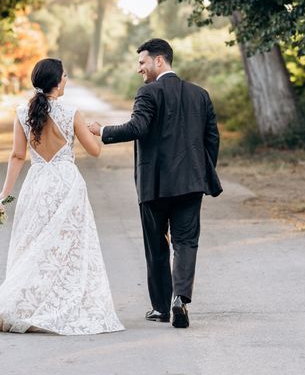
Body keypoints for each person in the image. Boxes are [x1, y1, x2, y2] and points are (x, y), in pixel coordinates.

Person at [0, 58, 124, 335]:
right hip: (67, 184)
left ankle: (30, 307)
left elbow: (17, 155)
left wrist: (4, 193)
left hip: (37, 183)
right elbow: (95, 152)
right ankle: (65, 304)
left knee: (35, 245)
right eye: (65, 76)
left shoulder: (22, 112)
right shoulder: (73, 112)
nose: (66, 80)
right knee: (69, 248)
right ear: (57, 81)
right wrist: (90, 130)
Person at [88, 38, 222, 328]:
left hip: (155, 184)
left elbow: (138, 127)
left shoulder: (148, 93)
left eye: (142, 62)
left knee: (156, 245)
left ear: (158, 61)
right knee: (186, 242)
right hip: (191, 182)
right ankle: (180, 300)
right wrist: (201, 169)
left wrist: (103, 130)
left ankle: (161, 308)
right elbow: (212, 138)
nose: (139, 69)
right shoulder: (200, 95)